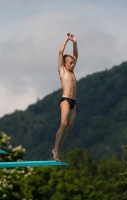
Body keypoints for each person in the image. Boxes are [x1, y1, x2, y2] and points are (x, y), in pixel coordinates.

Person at [52, 33, 78, 161]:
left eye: (73, 63)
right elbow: (60, 51)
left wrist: (75, 43)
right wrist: (67, 39)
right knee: (64, 123)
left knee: (70, 126)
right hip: (66, 100)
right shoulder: (62, 70)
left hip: (74, 101)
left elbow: (76, 55)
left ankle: (58, 148)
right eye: (70, 63)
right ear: (65, 63)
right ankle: (56, 150)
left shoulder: (72, 73)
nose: (73, 65)